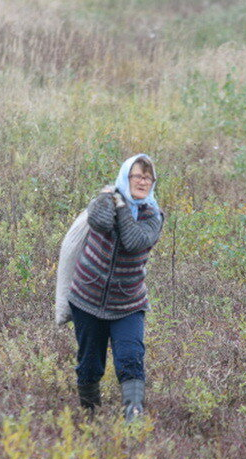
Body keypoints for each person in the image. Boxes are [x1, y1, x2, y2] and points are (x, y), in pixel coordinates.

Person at [68, 154, 163, 421]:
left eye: (148, 177)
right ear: (125, 177)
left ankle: (133, 417)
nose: (143, 181)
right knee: (89, 364)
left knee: (131, 358)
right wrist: (111, 198)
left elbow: (134, 241)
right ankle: (90, 416)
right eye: (137, 175)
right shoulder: (104, 199)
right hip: (87, 298)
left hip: (128, 304)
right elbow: (100, 222)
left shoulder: (153, 215)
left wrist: (122, 206)